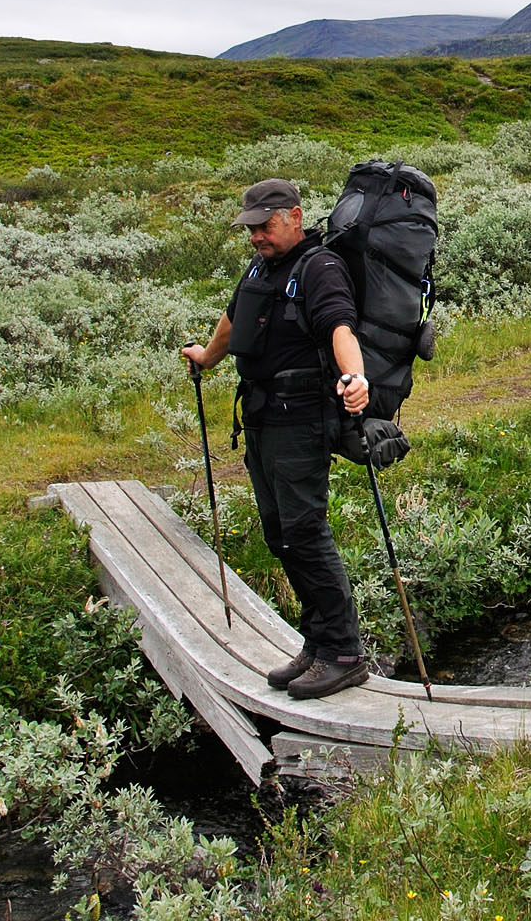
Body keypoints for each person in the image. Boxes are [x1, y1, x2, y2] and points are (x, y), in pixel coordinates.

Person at [180, 178, 371, 700]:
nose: (257, 238)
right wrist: (206, 358)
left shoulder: (320, 267)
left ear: (294, 216)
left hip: (301, 419)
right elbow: (233, 319)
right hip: (263, 418)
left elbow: (341, 328)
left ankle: (345, 653)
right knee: (279, 533)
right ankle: (317, 643)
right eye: (251, 229)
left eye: (265, 227)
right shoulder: (261, 267)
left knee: (305, 532)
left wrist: (356, 379)